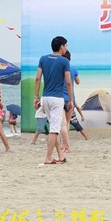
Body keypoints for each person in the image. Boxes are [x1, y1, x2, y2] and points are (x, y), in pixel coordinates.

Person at [34, 36, 73, 165]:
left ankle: (60, 155)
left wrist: (36, 96)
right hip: (57, 98)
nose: (66, 48)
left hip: (45, 97)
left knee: (53, 127)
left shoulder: (43, 59)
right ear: (61, 46)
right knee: (55, 130)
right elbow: (68, 82)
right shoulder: (64, 61)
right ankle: (48, 157)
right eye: (66, 45)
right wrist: (71, 100)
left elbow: (38, 79)